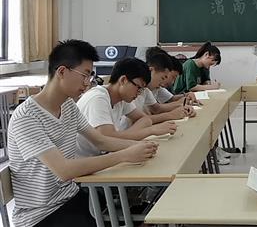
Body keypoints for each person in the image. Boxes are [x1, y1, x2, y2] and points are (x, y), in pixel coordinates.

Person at [8, 40, 158, 227]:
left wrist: (141, 147)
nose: (87, 83)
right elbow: (64, 170)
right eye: (85, 75)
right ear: (62, 72)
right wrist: (125, 155)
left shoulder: (68, 106)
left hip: (71, 197)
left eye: (90, 76)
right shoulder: (27, 117)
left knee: (141, 211)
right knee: (132, 217)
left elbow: (101, 141)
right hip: (41, 215)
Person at [76, 57, 178, 157]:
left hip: (102, 156)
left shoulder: (122, 98)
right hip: (85, 161)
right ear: (123, 80)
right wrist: (150, 131)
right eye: (138, 88)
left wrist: (126, 137)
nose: (139, 93)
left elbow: (145, 119)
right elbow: (107, 139)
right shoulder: (98, 98)